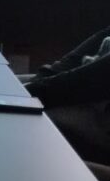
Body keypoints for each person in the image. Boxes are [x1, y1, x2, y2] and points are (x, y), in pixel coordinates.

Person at [26, 26, 110, 164]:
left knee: (25, 119)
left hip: (102, 119)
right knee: (7, 86)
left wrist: (22, 95)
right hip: (84, 93)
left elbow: (85, 82)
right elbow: (66, 66)